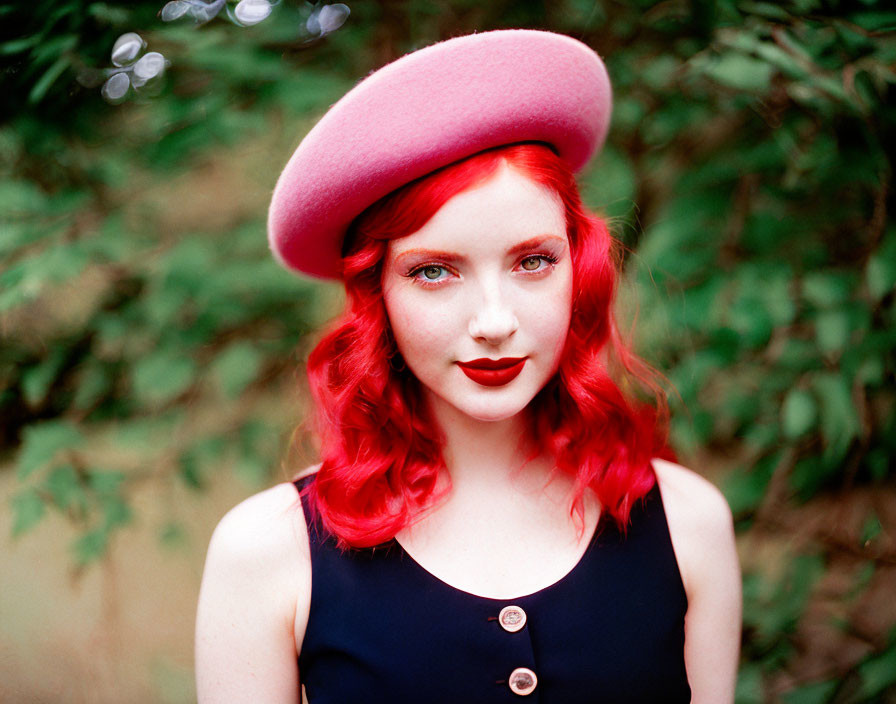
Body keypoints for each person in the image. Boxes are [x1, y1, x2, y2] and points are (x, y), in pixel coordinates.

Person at [195, 29, 741, 703]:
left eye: (532, 261)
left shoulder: (689, 522)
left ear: (581, 270)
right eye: (433, 272)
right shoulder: (267, 552)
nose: (493, 321)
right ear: (377, 297)